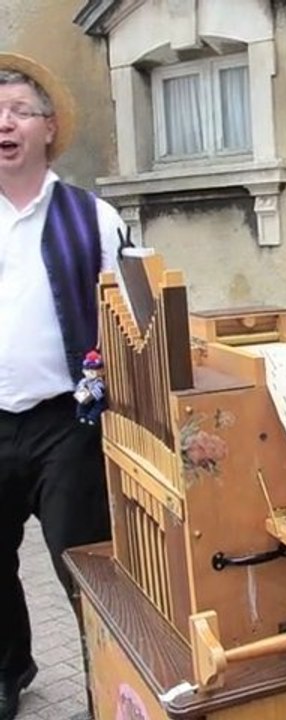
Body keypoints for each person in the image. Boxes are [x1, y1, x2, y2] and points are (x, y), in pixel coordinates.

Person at [0, 53, 124, 720]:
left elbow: (136, 315)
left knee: (83, 564)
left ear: (49, 128)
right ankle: (10, 668)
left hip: (66, 422)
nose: (4, 123)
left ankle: (105, 680)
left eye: (19, 111)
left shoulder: (93, 219)